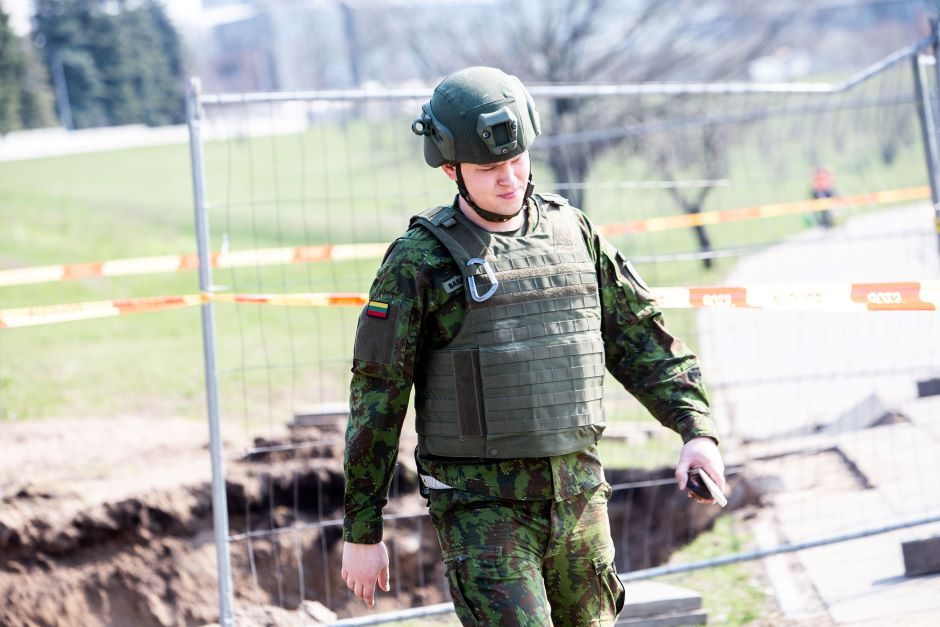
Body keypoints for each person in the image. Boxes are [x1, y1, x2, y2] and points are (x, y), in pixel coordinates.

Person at [341, 66, 725, 626]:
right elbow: (377, 397)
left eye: (517, 160)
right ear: (451, 168)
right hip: (482, 509)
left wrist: (697, 430)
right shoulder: (419, 262)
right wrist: (362, 529)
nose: (509, 178)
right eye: (490, 167)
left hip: (580, 498)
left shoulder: (575, 234)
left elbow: (639, 336)